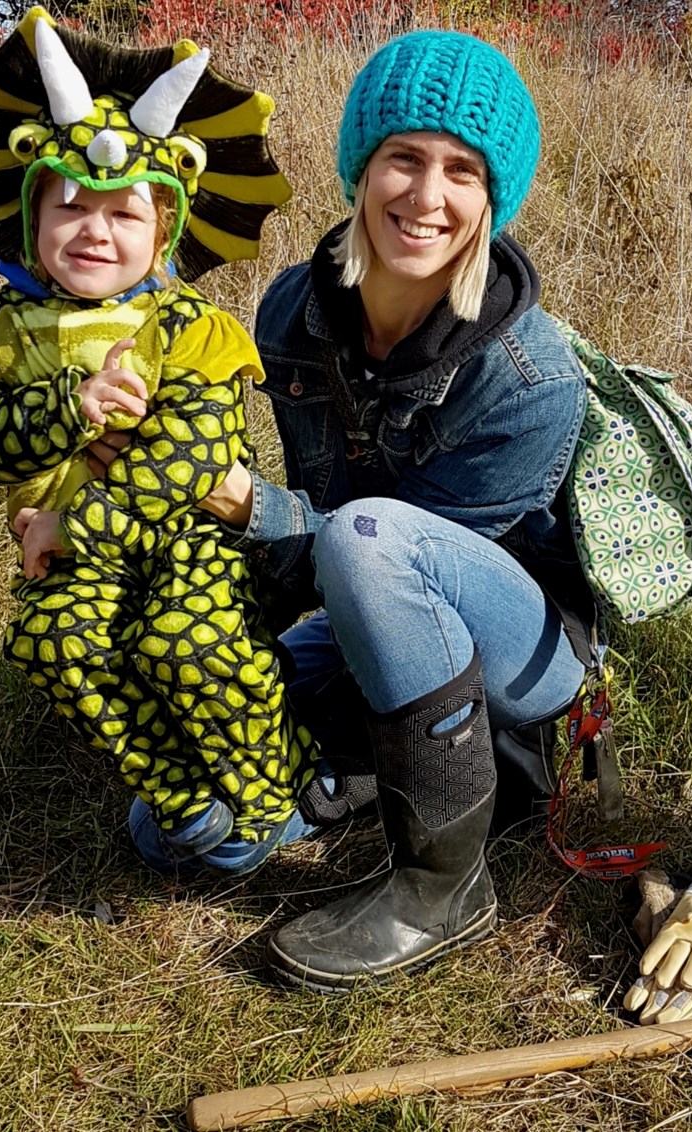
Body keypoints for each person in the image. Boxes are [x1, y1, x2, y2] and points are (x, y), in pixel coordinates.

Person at [197, 29, 598, 990]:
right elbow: (320, 557)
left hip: (513, 647)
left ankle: (442, 887)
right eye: (405, 158)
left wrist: (255, 511)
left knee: (371, 535)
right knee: (192, 828)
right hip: (359, 601)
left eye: (463, 172)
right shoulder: (292, 310)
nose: (427, 197)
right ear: (360, 168)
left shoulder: (531, 378)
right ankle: (381, 768)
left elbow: (390, 555)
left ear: (492, 200)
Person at [0, 8, 338, 875]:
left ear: (165, 232)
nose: (95, 230)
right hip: (70, 555)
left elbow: (186, 456)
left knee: (183, 642)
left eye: (123, 214)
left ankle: (279, 791)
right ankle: (184, 795)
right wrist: (69, 407)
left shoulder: (192, 324)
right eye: (70, 207)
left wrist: (69, 525)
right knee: (55, 640)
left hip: (188, 541)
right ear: (31, 219)